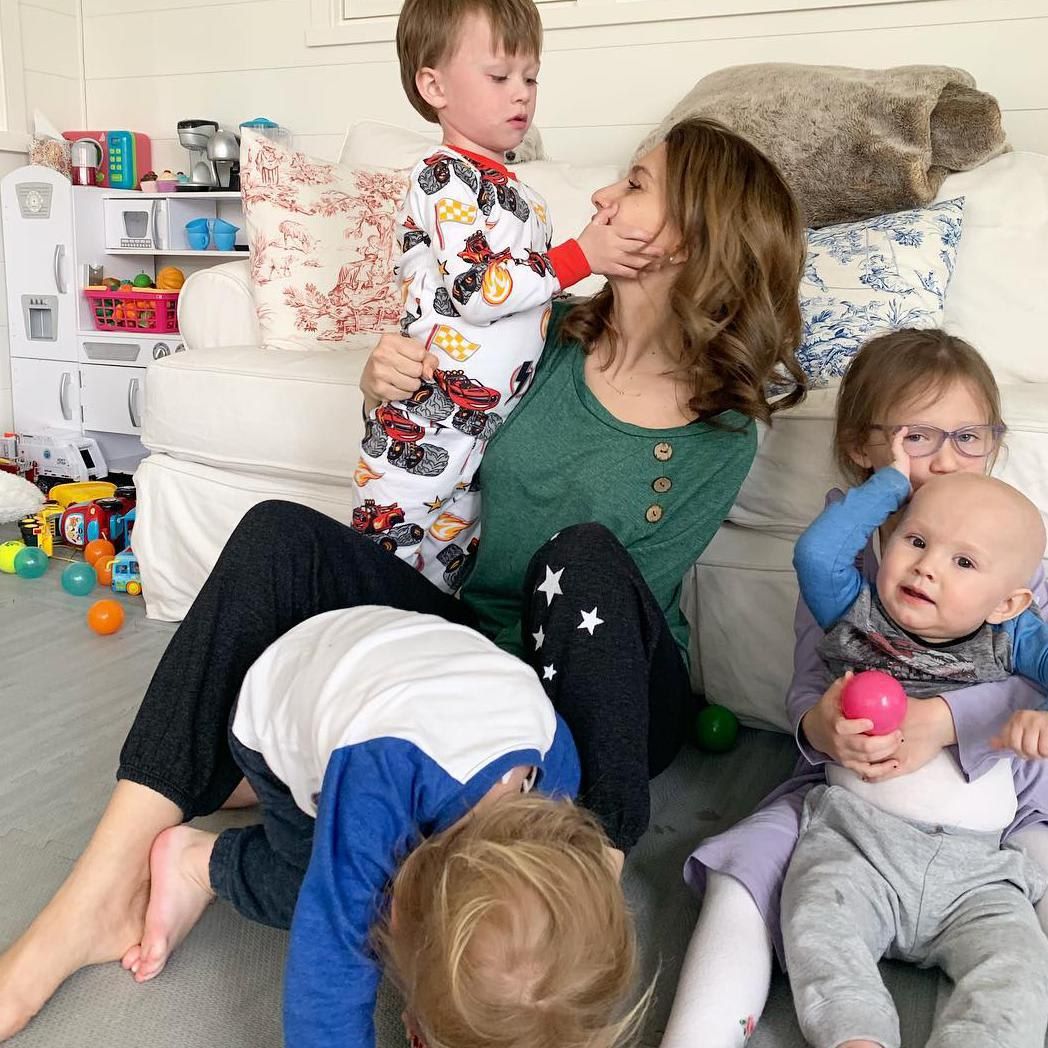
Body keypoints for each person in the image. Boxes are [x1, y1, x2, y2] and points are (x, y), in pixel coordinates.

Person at [0, 116, 807, 1043]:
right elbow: (431, 451)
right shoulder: (537, 337)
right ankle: (97, 895)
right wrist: (384, 386)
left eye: (633, 185)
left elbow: (619, 599)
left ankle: (588, 880)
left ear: (688, 240)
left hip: (600, 698)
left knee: (581, 557)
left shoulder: (718, 430)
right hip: (469, 650)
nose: (601, 197)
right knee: (278, 538)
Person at [660, 329, 1048, 1047]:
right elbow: (811, 679)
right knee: (749, 873)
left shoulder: (1014, 557)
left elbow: (1033, 680)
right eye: (917, 437)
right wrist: (820, 726)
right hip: (849, 803)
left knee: (1022, 940)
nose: (944, 459)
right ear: (864, 445)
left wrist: (944, 720)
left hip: (1000, 811)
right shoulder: (852, 567)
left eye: (967, 437)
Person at [124, 605, 641, 1048]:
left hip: (395, 664)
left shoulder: (557, 770)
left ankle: (245, 793)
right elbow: (329, 955)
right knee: (324, 891)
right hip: (280, 700)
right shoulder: (380, 785)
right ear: (402, 917)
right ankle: (197, 861)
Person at [355, 0, 659, 590]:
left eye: (531, 77)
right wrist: (580, 257)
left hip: (484, 433)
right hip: (426, 418)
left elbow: (532, 303)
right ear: (434, 86)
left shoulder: (525, 197)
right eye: (499, 76)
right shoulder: (444, 175)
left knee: (446, 584)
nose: (521, 93)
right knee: (376, 575)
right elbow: (476, 291)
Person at [781, 445, 1048, 1048]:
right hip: (856, 842)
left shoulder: (1014, 637)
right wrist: (891, 484)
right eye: (916, 541)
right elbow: (815, 554)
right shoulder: (854, 610)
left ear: (1006, 603)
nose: (927, 568)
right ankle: (855, 1035)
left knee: (1018, 970)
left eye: (963, 561)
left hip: (980, 870)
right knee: (816, 920)